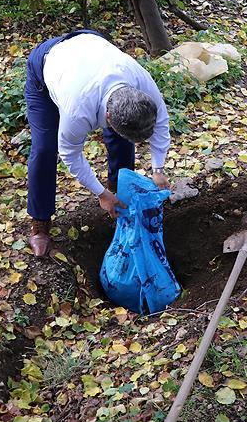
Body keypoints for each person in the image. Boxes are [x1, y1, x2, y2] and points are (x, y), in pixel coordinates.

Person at [25, 29, 171, 257]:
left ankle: (119, 193)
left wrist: (158, 168)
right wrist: (100, 194)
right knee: (45, 149)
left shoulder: (141, 82)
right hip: (47, 66)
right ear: (108, 117)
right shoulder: (77, 110)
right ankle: (40, 222)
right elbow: (70, 154)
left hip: (92, 45)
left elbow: (161, 120)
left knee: (122, 141)